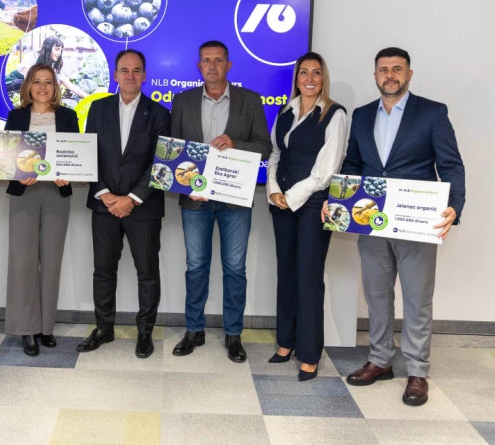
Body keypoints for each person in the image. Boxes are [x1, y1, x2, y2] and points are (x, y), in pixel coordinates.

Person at [328, 47, 465, 405]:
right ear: (375, 75)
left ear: (409, 74)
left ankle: (417, 370)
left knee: (417, 298)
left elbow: (451, 165)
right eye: (383, 69)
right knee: (377, 295)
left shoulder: (432, 113)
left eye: (397, 69)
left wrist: (454, 206)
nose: (389, 75)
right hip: (372, 221)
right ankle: (380, 360)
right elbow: (353, 164)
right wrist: (339, 200)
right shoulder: (361, 115)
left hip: (417, 222)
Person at [170, 40, 272, 363]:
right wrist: (182, 184)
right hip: (195, 200)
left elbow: (264, 147)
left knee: (235, 269)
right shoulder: (183, 101)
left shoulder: (250, 100)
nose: (212, 66)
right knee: (196, 267)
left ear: (229, 65)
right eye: (206, 61)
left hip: (234, 200)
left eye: (218, 61)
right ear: (198, 66)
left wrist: (236, 143)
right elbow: (173, 150)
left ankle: (233, 334)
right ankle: (194, 330)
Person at [77, 49, 170, 359]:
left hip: (144, 207)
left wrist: (131, 199)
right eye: (124, 70)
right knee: (103, 271)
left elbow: (160, 163)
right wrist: (105, 194)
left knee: (148, 273)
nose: (130, 75)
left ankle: (145, 332)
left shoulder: (159, 114)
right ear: (115, 74)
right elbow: (89, 155)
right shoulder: (98, 108)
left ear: (145, 75)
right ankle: (104, 328)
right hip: (103, 205)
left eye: (136, 70)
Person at [265, 52, 348, 381]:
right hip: (281, 203)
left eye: (316, 72)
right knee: (286, 273)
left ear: (323, 77)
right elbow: (275, 153)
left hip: (313, 205)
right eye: (303, 73)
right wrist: (274, 190)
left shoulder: (335, 114)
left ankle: (310, 353)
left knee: (309, 277)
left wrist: (291, 196)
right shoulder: (285, 111)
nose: (309, 78)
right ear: (296, 78)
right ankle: (286, 342)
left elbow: (326, 170)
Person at [3, 63, 79, 356]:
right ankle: (26, 328)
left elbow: (76, 155)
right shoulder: (17, 116)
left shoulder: (68, 117)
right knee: (22, 261)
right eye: (37, 81)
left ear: (55, 87)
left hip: (56, 193)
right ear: (28, 87)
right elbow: (7, 157)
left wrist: (68, 174)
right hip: (25, 192)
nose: (43, 87)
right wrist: (18, 174)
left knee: (51, 260)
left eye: (49, 82)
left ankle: (46, 327)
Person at [6, 36, 89, 101]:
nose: (59, 53)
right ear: (48, 48)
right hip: (11, 83)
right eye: (57, 49)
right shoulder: (32, 57)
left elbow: (70, 86)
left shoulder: (53, 67)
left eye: (60, 50)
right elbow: (27, 80)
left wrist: (88, 97)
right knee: (20, 83)